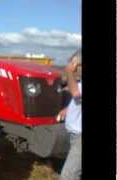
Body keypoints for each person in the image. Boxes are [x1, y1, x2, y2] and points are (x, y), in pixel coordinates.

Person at [57, 49, 82, 180]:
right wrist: (68, 109)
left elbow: (76, 94)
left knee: (68, 176)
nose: (72, 67)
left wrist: (68, 72)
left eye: (73, 64)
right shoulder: (80, 83)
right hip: (75, 136)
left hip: (80, 138)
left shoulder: (77, 84)